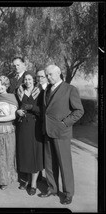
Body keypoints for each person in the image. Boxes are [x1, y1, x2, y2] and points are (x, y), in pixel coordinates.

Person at [39, 65, 84, 205]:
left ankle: (68, 193)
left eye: (50, 74)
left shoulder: (70, 89)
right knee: (50, 163)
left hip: (61, 132)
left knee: (65, 164)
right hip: (47, 131)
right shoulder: (46, 89)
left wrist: (65, 123)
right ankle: (52, 188)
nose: (48, 77)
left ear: (59, 73)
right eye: (46, 75)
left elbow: (79, 111)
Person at [16, 71, 44, 195]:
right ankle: (25, 180)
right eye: (25, 79)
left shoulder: (40, 92)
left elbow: (43, 110)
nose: (27, 82)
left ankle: (33, 183)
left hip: (35, 126)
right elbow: (15, 106)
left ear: (34, 80)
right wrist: (18, 111)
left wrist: (31, 108)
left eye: (29, 79)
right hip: (22, 126)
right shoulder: (19, 92)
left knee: (34, 154)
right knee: (24, 152)